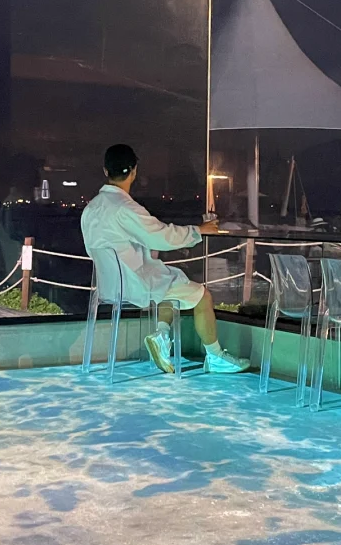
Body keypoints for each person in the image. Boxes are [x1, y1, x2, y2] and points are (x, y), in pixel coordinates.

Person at [80, 144, 248, 375]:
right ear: (134, 171)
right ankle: (215, 356)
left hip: (109, 286)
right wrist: (199, 231)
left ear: (106, 171)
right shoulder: (126, 208)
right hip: (134, 284)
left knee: (170, 286)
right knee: (202, 296)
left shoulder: (90, 209)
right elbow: (161, 236)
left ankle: (161, 336)